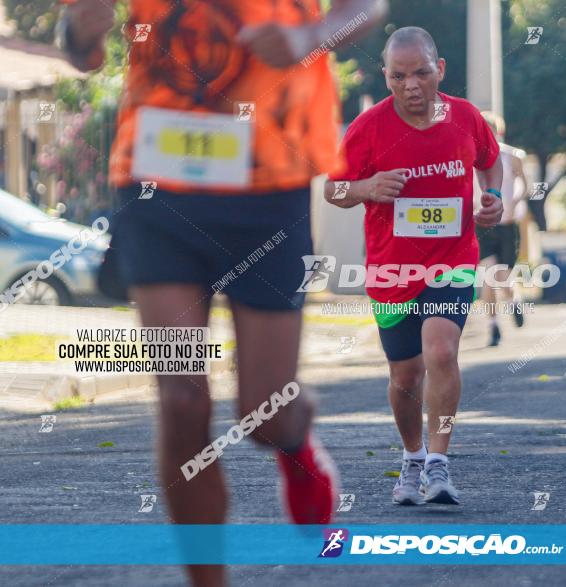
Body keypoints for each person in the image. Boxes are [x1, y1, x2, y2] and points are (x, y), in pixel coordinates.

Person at [60, 1, 384, 584]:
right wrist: (84, 31)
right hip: (157, 179)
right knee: (181, 398)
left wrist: (312, 35)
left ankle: (295, 429)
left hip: (271, 182)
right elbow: (80, 51)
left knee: (265, 416)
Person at [325, 26, 503, 506]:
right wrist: (366, 188)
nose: (411, 85)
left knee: (441, 352)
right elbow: (333, 190)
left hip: (452, 260)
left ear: (439, 69)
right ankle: (412, 457)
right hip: (391, 270)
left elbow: (491, 163)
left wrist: (495, 198)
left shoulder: (465, 117)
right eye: (400, 76)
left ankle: (440, 463)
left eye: (421, 73)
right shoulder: (367, 129)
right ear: (386, 77)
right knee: (405, 375)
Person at [473, 111, 529, 347]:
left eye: (490, 129)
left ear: (498, 131)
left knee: (503, 277)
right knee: (488, 275)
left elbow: (524, 184)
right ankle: (493, 326)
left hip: (506, 223)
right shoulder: (470, 157)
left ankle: (514, 301)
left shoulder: (511, 156)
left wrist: (515, 201)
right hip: (481, 224)